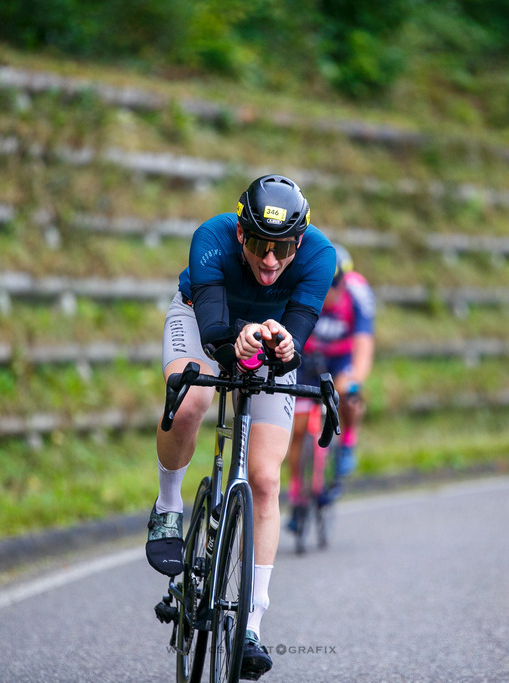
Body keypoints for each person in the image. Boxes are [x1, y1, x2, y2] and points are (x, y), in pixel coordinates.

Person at [147, 174, 335, 680]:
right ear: (239, 235)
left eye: (282, 249)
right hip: (201, 320)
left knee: (266, 479)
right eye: (257, 245)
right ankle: (168, 506)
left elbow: (296, 335)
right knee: (190, 402)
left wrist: (283, 346)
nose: (269, 261)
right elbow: (212, 330)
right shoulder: (211, 237)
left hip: (269, 342)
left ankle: (250, 625)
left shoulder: (321, 257)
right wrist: (238, 341)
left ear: (300, 242)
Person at [286, 244, 375, 526]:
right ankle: (296, 494)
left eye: (336, 286)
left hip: (341, 359)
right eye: (327, 285)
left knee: (348, 395)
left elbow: (364, 343)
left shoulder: (358, 293)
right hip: (306, 358)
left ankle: (348, 441)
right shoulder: (303, 286)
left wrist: (355, 382)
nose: (331, 293)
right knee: (297, 429)